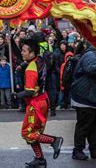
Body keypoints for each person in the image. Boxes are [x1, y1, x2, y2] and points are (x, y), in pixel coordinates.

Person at [11, 37, 64, 167]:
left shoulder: (31, 69)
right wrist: (11, 42)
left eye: (24, 51)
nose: (22, 53)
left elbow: (29, 91)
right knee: (34, 133)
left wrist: (16, 95)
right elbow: (22, 57)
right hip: (43, 100)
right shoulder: (40, 60)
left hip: (36, 104)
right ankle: (40, 159)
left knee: (27, 133)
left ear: (32, 53)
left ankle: (54, 140)